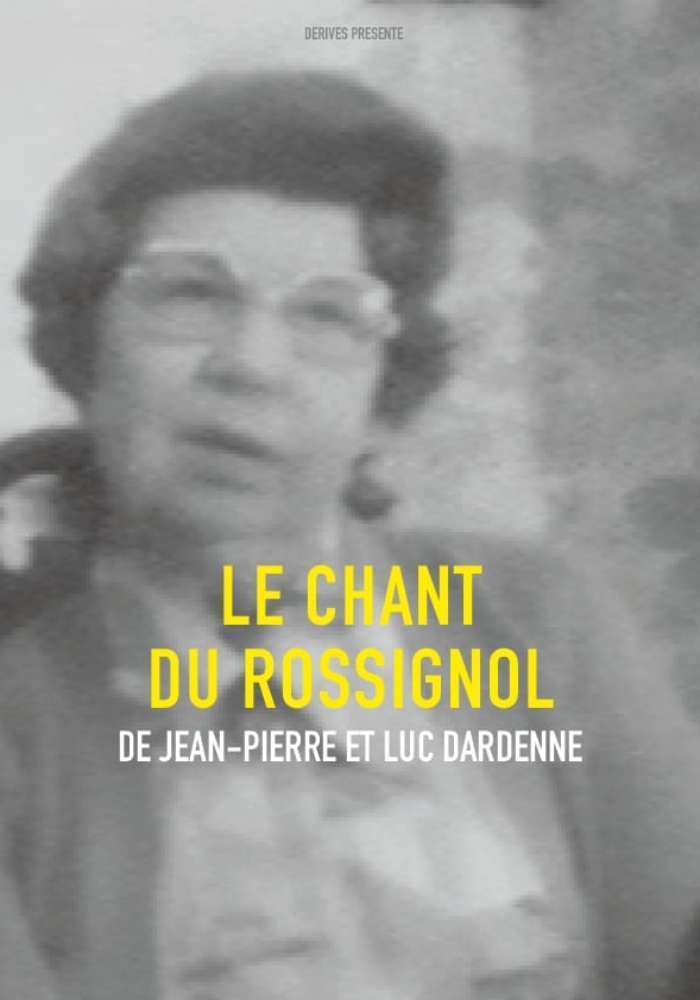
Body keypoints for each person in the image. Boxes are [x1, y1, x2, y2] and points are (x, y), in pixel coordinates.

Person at [1, 69, 699, 1000]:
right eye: (189, 294)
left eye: (327, 312)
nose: (253, 364)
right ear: (84, 346)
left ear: (384, 388)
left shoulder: (540, 618)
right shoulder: (20, 682)